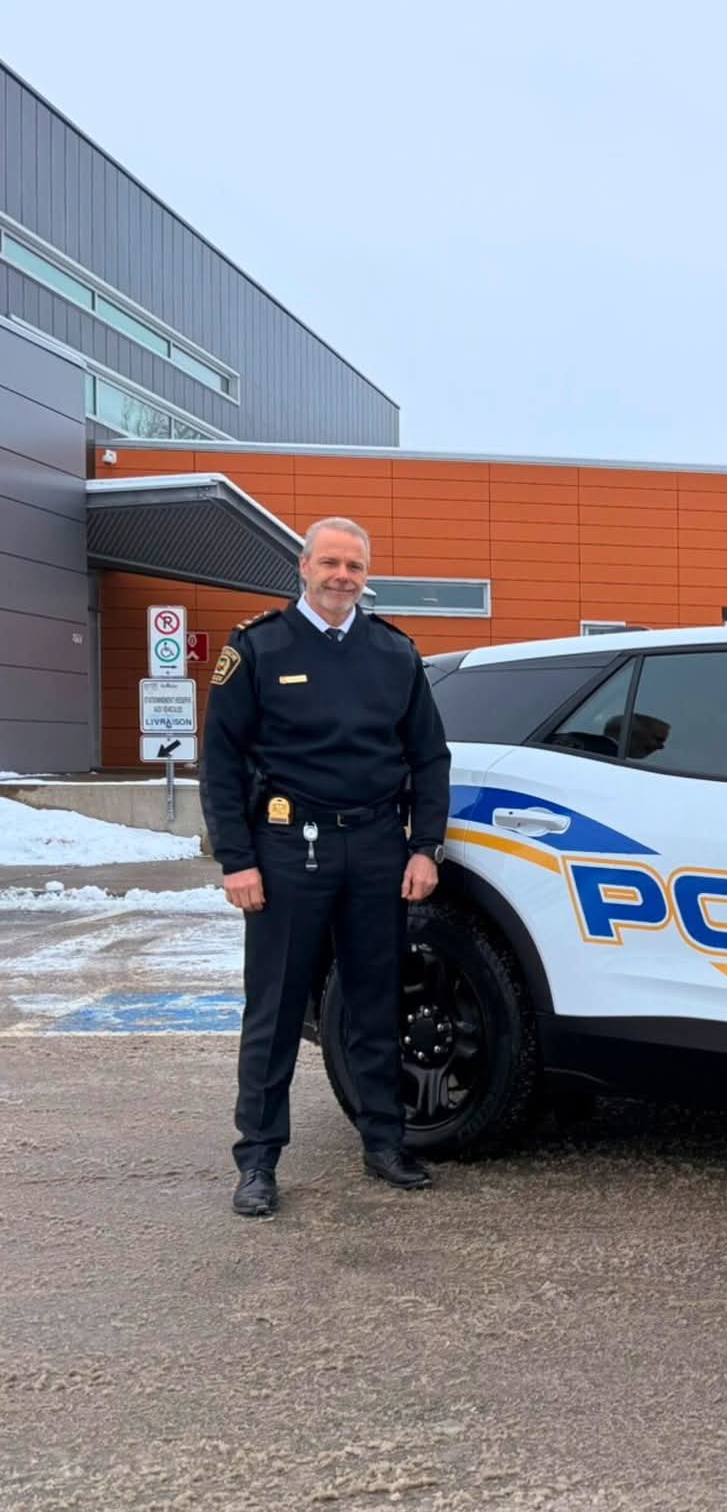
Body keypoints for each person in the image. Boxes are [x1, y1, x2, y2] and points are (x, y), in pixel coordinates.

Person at [201, 518, 451, 1218]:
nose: (343, 576)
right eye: (331, 562)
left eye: (355, 566)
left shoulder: (394, 652)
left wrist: (425, 845)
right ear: (304, 566)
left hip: (376, 846)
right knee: (276, 1007)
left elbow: (429, 756)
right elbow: (221, 760)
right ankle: (257, 1159)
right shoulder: (259, 647)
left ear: (367, 576)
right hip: (288, 846)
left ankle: (384, 1141)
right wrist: (237, 860)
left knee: (375, 1000)